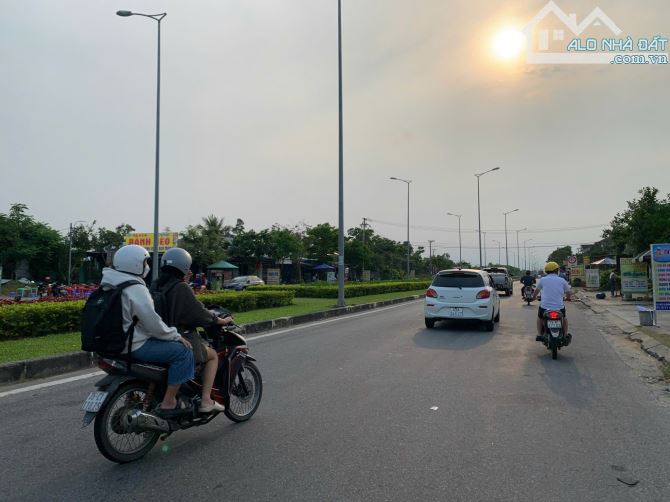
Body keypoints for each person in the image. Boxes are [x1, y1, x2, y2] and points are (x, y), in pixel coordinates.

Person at [101, 244, 194, 416]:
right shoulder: (135, 288)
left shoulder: (109, 284)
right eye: (145, 262)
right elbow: (152, 322)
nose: (147, 267)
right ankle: (169, 402)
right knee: (184, 352)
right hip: (133, 345)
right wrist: (174, 335)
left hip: (111, 344)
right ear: (135, 264)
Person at [154, 247, 234, 413]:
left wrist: (185, 282)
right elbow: (198, 313)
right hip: (181, 337)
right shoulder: (181, 288)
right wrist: (220, 320)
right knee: (212, 356)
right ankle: (206, 400)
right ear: (184, 266)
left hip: (157, 337)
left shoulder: (156, 285)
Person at [532, 261, 572, 342]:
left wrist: (533, 298)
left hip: (545, 307)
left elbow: (536, 291)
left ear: (546, 271)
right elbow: (568, 292)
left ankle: (539, 334)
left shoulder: (543, 280)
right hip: (559, 308)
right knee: (564, 318)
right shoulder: (562, 280)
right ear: (557, 270)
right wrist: (568, 298)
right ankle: (565, 335)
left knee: (540, 318)